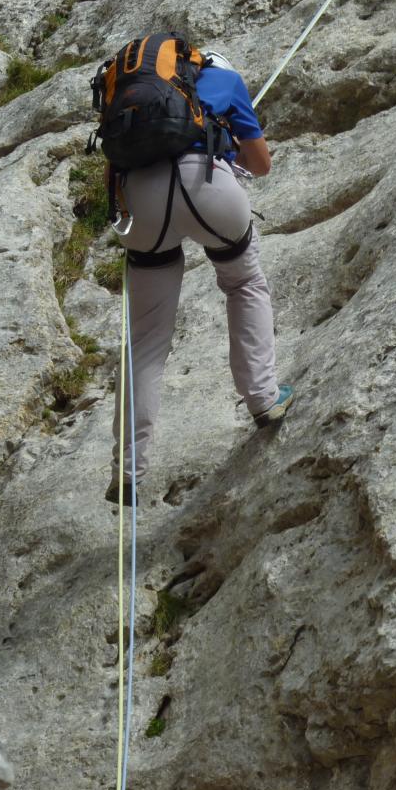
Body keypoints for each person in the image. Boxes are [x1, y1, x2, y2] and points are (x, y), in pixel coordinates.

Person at [106, 50, 293, 504]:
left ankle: (129, 468)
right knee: (242, 283)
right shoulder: (223, 81)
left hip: (142, 204)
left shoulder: (123, 99)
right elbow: (262, 164)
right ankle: (264, 398)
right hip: (206, 185)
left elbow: (112, 169)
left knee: (147, 338)